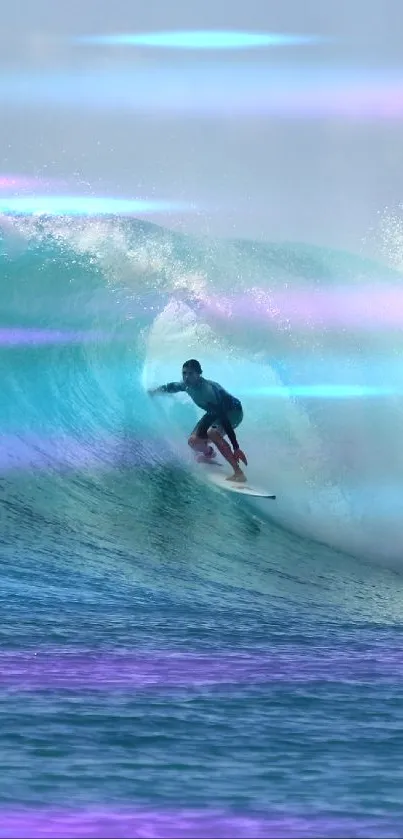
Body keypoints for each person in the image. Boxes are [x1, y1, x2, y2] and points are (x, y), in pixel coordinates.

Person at [148, 359, 248, 482]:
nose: (186, 377)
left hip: (233, 412)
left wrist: (236, 447)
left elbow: (224, 418)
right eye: (184, 373)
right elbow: (172, 387)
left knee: (213, 433)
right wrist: (154, 392)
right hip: (214, 412)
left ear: (198, 374)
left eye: (190, 373)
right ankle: (209, 454)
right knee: (193, 442)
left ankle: (238, 472)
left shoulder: (208, 390)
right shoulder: (186, 385)